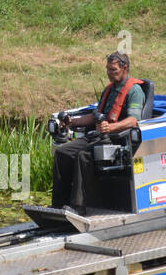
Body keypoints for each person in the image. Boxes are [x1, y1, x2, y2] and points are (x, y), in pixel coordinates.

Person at [51, 52, 145, 211]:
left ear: (125, 68)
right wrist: (72, 122)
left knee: (83, 156)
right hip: (98, 136)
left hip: (117, 139)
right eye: (107, 69)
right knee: (62, 153)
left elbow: (133, 120)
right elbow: (95, 116)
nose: (109, 73)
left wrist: (111, 127)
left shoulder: (134, 91)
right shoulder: (109, 89)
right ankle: (59, 204)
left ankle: (79, 206)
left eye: (113, 69)